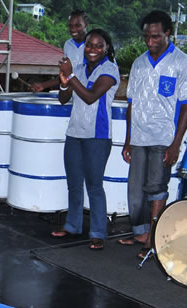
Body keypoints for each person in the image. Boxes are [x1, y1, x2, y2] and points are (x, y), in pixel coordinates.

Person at [121, 10, 187, 258]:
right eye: (146, 36)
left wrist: (175, 144)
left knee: (156, 188)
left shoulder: (182, 62)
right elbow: (131, 104)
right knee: (135, 192)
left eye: (155, 36)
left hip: (164, 137)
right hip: (139, 137)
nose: (150, 41)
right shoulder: (139, 63)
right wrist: (128, 140)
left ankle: (153, 239)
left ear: (168, 33)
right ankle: (140, 234)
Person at [53, 29, 120, 251]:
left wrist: (70, 76)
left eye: (99, 45)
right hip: (74, 132)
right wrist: (64, 82)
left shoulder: (110, 70)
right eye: (89, 45)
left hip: (97, 135)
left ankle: (98, 232)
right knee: (74, 184)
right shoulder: (79, 69)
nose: (93, 49)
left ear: (106, 48)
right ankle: (72, 225)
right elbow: (63, 99)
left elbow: (90, 97)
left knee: (94, 185)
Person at [30, 10, 88, 93]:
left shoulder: (93, 46)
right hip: (73, 96)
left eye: (77, 25)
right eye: (70, 26)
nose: (73, 29)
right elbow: (66, 74)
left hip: (90, 94)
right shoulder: (68, 45)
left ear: (86, 24)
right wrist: (43, 85)